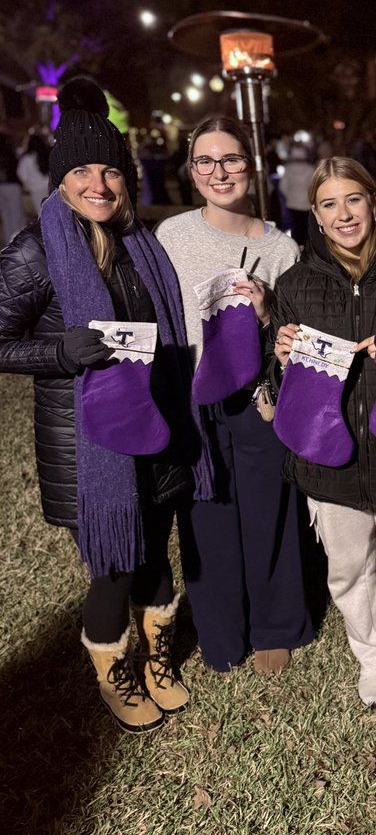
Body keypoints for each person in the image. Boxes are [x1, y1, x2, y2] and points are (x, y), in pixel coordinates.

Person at [0, 77, 212, 732]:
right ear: (61, 179)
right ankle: (114, 669)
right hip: (86, 449)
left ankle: (157, 659)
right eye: (84, 171)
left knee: (155, 559)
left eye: (111, 170)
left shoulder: (141, 247)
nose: (99, 184)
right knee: (114, 570)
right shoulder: (37, 251)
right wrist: (60, 353)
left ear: (128, 178)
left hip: (156, 433)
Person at [271, 157, 376, 707]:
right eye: (328, 204)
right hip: (330, 461)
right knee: (347, 572)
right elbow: (281, 386)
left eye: (353, 199)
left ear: (375, 203)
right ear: (316, 218)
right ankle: (371, 655)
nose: (343, 214)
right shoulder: (295, 285)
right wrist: (279, 358)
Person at [155, 116, 314, 675]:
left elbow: (296, 338)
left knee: (270, 510)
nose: (219, 172)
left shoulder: (281, 246)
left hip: (256, 396)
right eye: (206, 161)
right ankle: (221, 629)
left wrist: (269, 312)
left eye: (232, 160)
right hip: (193, 397)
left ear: (252, 166)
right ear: (192, 170)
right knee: (206, 516)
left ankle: (277, 623)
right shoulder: (171, 237)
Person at [0, 130, 25, 245]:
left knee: (6, 217)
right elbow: (18, 170)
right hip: (12, 185)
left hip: (1, 185)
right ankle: (17, 243)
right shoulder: (11, 154)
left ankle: (8, 245)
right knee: (16, 215)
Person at [17, 132, 51, 217]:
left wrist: (28, 184)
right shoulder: (46, 155)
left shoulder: (26, 159)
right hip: (49, 187)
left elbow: (21, 174)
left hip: (36, 190)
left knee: (42, 214)